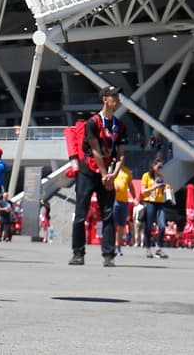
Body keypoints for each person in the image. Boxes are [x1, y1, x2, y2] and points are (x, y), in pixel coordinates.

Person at [69, 86, 127, 267]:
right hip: (89, 171)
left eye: (118, 97)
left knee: (108, 213)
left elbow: (121, 152)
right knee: (81, 213)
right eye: (114, 96)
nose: (117, 100)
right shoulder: (93, 122)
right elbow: (94, 149)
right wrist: (104, 174)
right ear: (105, 100)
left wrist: (114, 174)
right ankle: (78, 253)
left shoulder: (120, 125)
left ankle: (109, 255)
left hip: (108, 174)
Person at [139, 158, 172, 261]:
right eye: (158, 167)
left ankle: (158, 248)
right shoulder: (146, 176)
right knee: (149, 226)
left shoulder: (161, 177)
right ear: (153, 166)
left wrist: (166, 190)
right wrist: (154, 187)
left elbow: (161, 192)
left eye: (161, 167)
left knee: (162, 226)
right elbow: (143, 191)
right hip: (150, 202)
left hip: (160, 203)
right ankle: (148, 247)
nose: (160, 169)